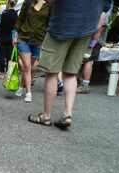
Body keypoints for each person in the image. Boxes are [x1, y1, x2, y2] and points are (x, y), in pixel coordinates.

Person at [27, 0, 104, 130]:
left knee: (51, 73)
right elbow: (106, 6)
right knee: (70, 73)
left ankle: (46, 116)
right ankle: (67, 114)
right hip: (87, 28)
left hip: (63, 24)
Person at [14, 0, 50, 103]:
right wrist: (14, 35)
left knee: (32, 67)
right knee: (27, 66)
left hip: (38, 40)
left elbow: (49, 24)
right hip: (24, 38)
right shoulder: (28, 2)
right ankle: (29, 92)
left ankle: (21, 86)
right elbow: (20, 19)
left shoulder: (49, 5)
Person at [78, 2, 112, 94]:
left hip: (93, 40)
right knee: (86, 60)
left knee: (88, 60)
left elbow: (100, 27)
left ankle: (85, 85)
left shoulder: (103, 6)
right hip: (91, 39)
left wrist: (92, 43)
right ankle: (81, 83)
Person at [0, 0, 17, 79]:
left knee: (1, 54)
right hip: (10, 36)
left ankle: (1, 71)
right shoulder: (15, 14)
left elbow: (2, 25)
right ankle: (8, 72)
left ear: (8, 3)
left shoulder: (5, 13)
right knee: (9, 55)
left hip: (2, 36)